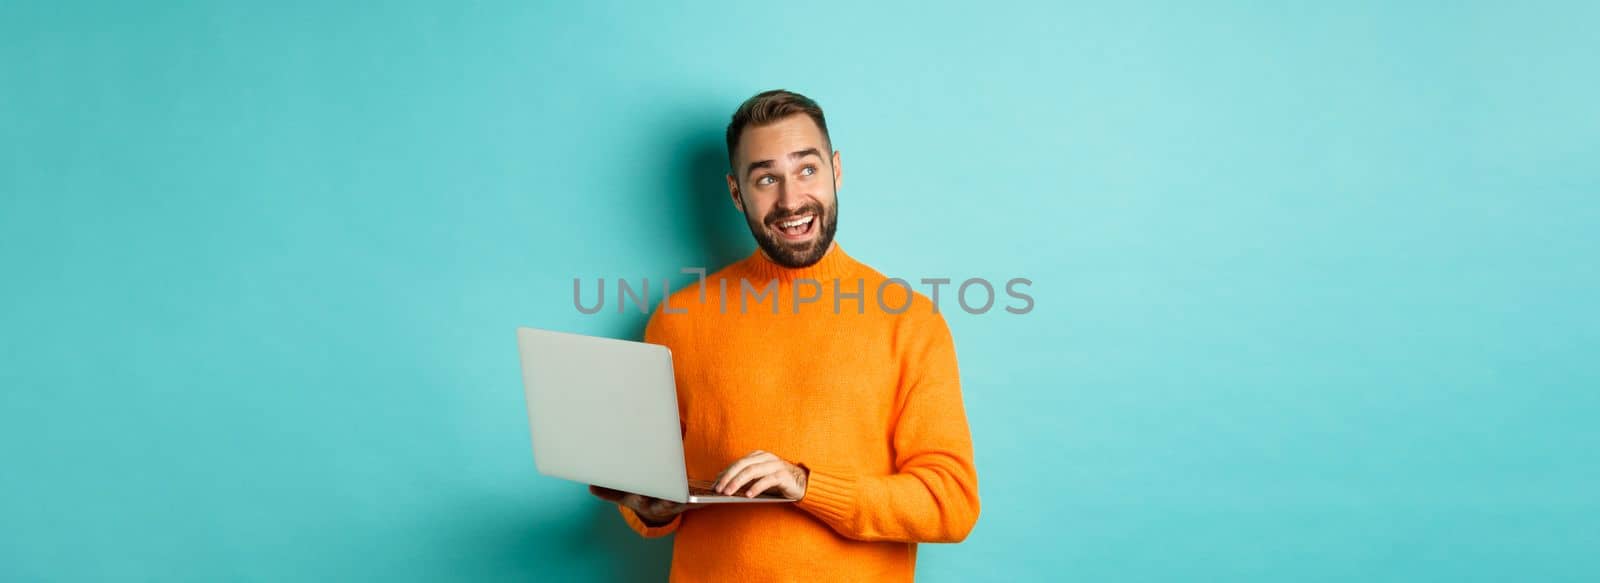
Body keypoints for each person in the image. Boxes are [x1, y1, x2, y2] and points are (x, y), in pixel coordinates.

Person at [589, 89, 979, 581]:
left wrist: (805, 485)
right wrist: (650, 509)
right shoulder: (676, 320)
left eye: (807, 170)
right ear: (736, 193)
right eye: (767, 178)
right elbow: (646, 491)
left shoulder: (910, 322)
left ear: (836, 171)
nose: (791, 199)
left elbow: (951, 503)